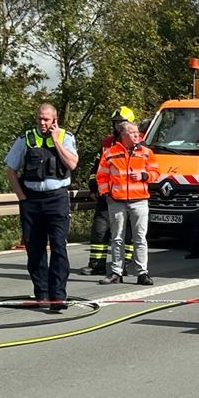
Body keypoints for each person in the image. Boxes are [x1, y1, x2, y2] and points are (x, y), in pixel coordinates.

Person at [5, 102, 79, 312]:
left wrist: (56, 141)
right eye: (40, 118)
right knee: (35, 249)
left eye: (47, 119)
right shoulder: (26, 139)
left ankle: (58, 296)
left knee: (59, 247)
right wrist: (22, 198)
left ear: (55, 120)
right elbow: (11, 169)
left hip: (57, 198)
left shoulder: (66, 137)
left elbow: (72, 164)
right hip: (32, 200)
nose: (43, 122)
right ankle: (42, 294)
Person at [96, 121, 159, 286]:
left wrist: (144, 176)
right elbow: (101, 176)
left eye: (137, 132)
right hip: (116, 201)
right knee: (117, 238)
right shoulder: (110, 153)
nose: (137, 135)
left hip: (139, 201)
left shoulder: (146, 152)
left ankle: (142, 273)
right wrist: (106, 194)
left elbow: (156, 173)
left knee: (140, 238)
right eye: (132, 133)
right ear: (123, 135)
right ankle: (116, 272)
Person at [81, 107, 136, 276]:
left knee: (125, 234)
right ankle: (96, 264)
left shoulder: (137, 145)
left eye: (122, 122)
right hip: (107, 195)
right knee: (99, 230)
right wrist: (93, 187)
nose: (118, 126)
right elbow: (97, 168)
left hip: (129, 197)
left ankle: (124, 265)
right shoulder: (107, 144)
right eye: (116, 122)